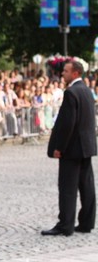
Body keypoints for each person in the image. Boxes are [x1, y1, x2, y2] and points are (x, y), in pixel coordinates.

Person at [42, 61, 97, 236]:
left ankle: (65, 225)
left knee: (68, 188)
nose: (62, 74)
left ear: (75, 73)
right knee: (87, 186)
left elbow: (68, 123)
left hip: (72, 149)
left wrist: (60, 147)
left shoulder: (71, 92)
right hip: (86, 147)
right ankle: (87, 222)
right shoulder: (87, 91)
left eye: (66, 71)